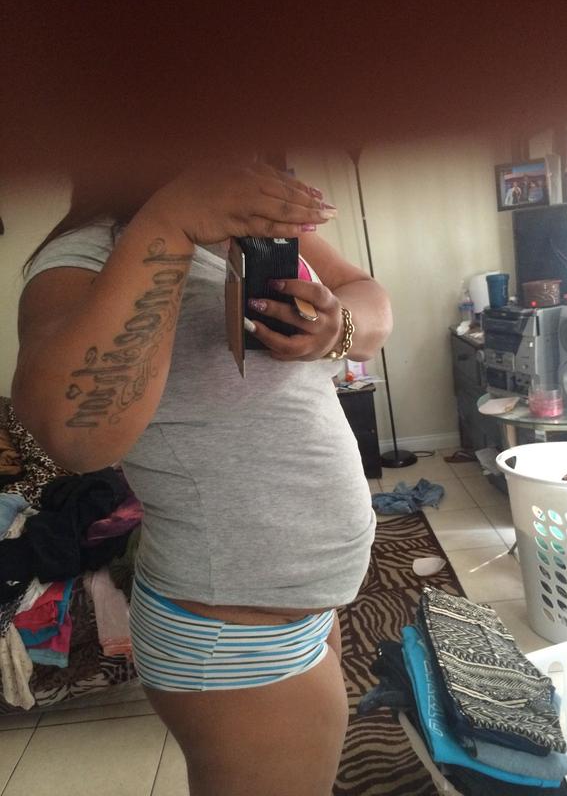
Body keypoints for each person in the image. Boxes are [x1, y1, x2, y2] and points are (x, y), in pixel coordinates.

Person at [11, 158, 393, 796]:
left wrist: (338, 325)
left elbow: (368, 297)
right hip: (232, 633)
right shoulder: (86, 256)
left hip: (288, 608)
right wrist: (172, 218)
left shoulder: (250, 226)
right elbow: (75, 438)